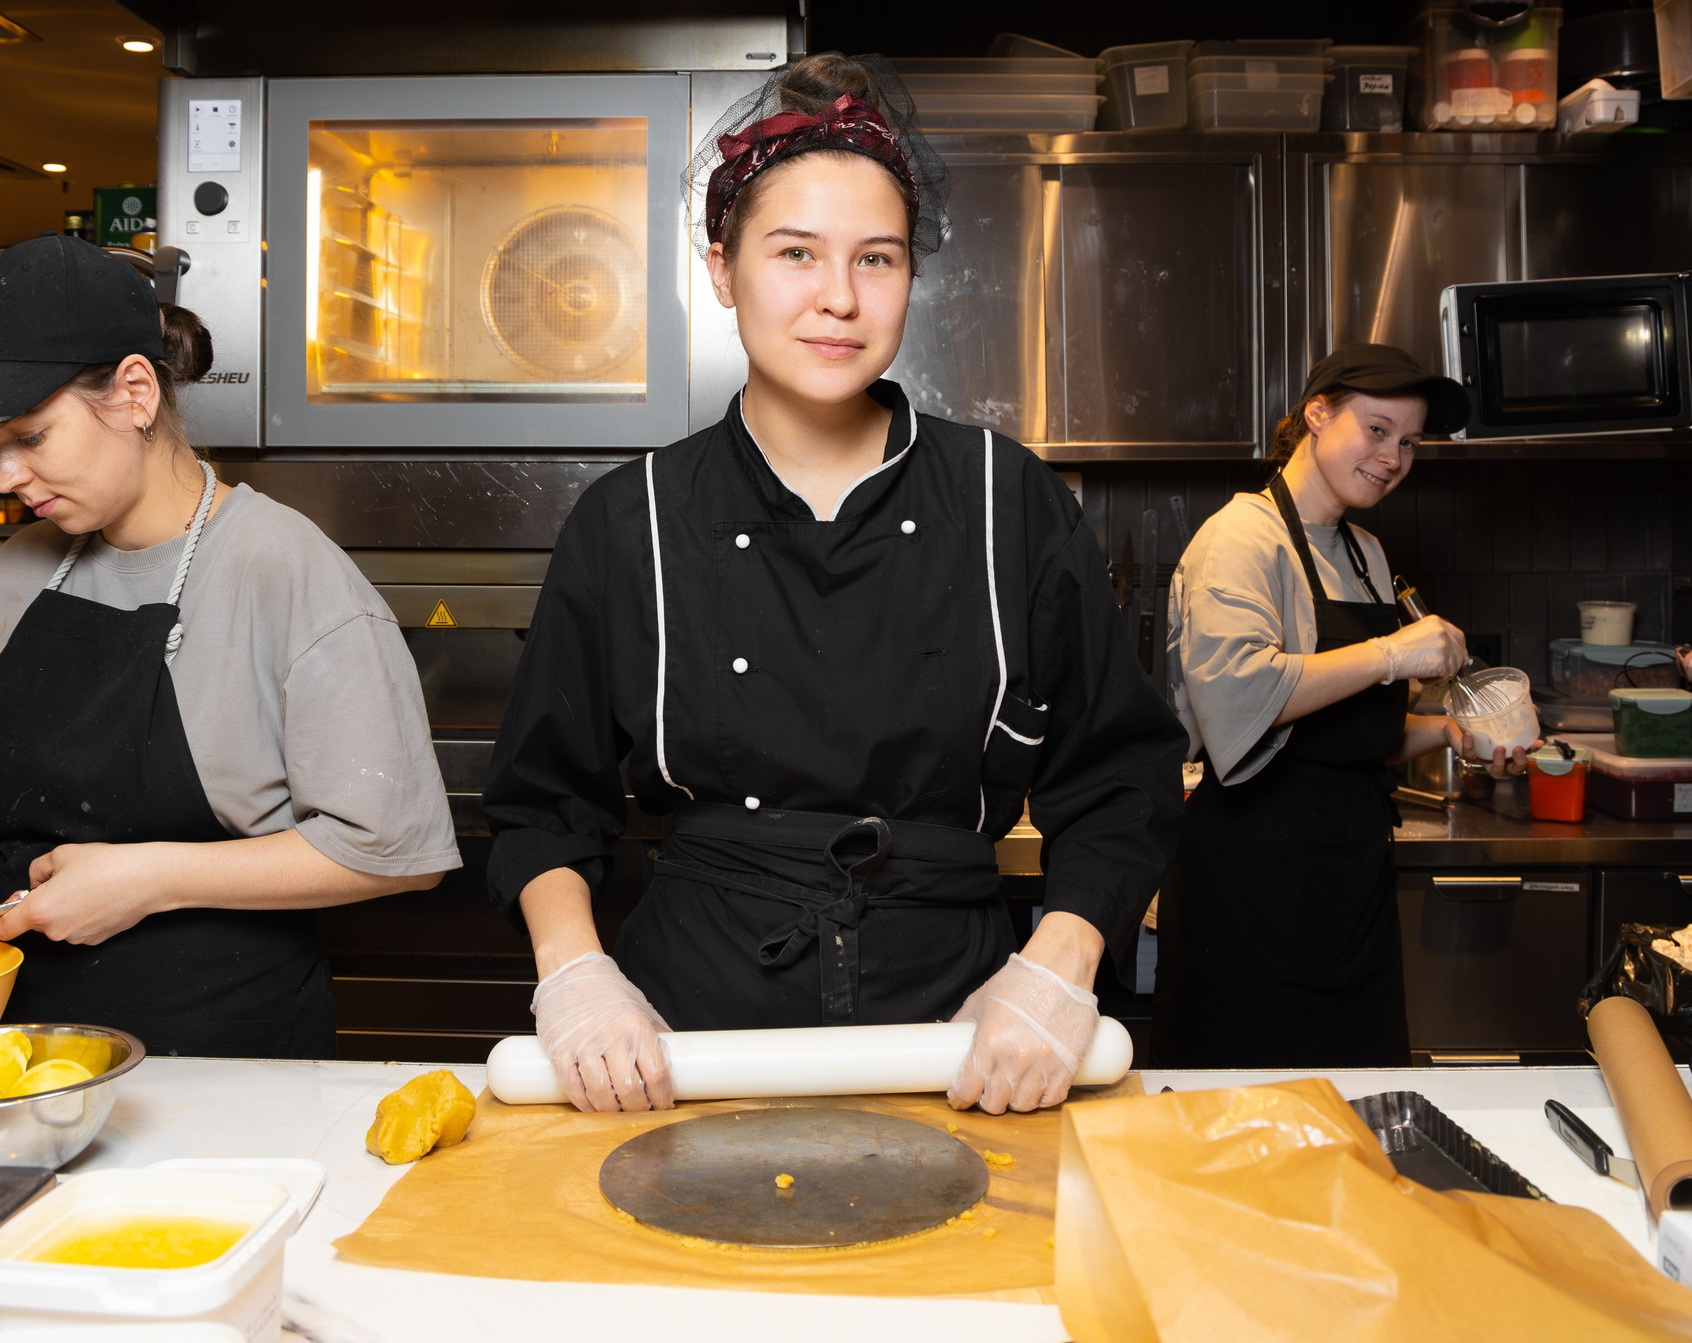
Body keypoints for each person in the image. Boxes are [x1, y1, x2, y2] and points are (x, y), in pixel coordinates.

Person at [481, 55, 1188, 1116]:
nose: (839, 298)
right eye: (794, 253)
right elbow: (543, 801)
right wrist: (578, 974)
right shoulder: (631, 520)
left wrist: (1056, 967)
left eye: (877, 258)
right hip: (689, 1038)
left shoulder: (1007, 498)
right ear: (721, 269)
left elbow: (1120, 776)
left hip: (965, 1032)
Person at [0, 233, 459, 1059]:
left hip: (221, 1056)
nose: (4, 478)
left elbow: (395, 850)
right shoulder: (15, 572)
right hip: (12, 1040)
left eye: (29, 439)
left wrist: (151, 879)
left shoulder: (280, 569)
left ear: (136, 393)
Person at [1153, 344, 1493, 1069]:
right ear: (1317, 414)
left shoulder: (1365, 550)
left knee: (1356, 1106)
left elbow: (1346, 735)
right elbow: (1238, 697)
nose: (1393, 456)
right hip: (1254, 881)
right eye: (1376, 429)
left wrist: (1449, 733)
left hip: (1350, 878)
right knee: (1247, 1119)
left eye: (1409, 442)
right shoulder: (1242, 538)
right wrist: (1396, 653)